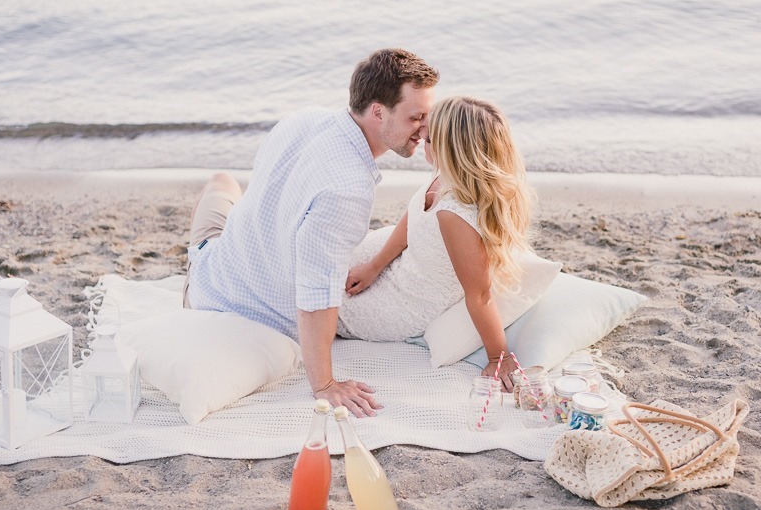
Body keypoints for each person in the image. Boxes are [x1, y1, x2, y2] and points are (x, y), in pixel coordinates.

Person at [184, 48, 439, 418]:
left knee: (222, 182)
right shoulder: (348, 189)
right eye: (416, 117)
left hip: (225, 267)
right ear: (378, 111)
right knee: (223, 186)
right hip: (216, 295)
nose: (426, 128)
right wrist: (325, 385)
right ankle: (188, 281)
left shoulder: (305, 119)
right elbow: (317, 292)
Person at [338, 96, 532, 391]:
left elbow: (480, 295)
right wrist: (375, 265)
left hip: (404, 302)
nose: (419, 140)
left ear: (451, 151)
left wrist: (498, 357)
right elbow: (413, 217)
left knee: (313, 299)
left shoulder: (455, 215)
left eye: (428, 140)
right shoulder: (447, 174)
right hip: (396, 265)